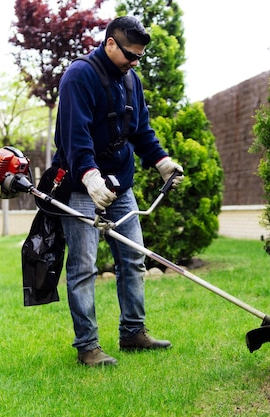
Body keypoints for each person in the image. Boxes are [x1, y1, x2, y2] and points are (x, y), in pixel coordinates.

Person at [52, 16, 184, 367]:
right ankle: (87, 347)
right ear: (110, 43)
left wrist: (161, 162)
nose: (135, 62)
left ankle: (133, 332)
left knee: (133, 258)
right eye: (130, 54)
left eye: (139, 56)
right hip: (83, 184)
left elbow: (140, 130)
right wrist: (90, 178)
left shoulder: (131, 80)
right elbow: (74, 135)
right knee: (82, 266)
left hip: (121, 183)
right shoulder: (79, 76)